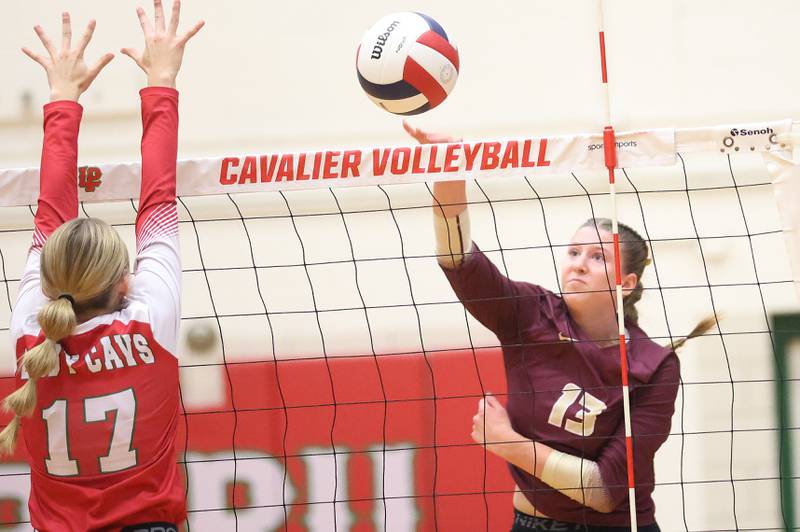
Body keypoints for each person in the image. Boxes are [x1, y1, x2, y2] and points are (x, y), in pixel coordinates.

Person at [403, 122, 715, 531]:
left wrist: (510, 444)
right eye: (573, 252)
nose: (579, 264)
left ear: (625, 284)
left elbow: (603, 490)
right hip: (528, 523)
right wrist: (450, 171)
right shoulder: (530, 313)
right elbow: (457, 259)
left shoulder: (653, 365)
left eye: (598, 257)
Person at [0, 3, 202, 530]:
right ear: (126, 283)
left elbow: (52, 211)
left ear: (49, 283)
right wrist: (161, 81)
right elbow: (157, 199)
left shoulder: (31, 339)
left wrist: (62, 97)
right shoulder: (148, 322)